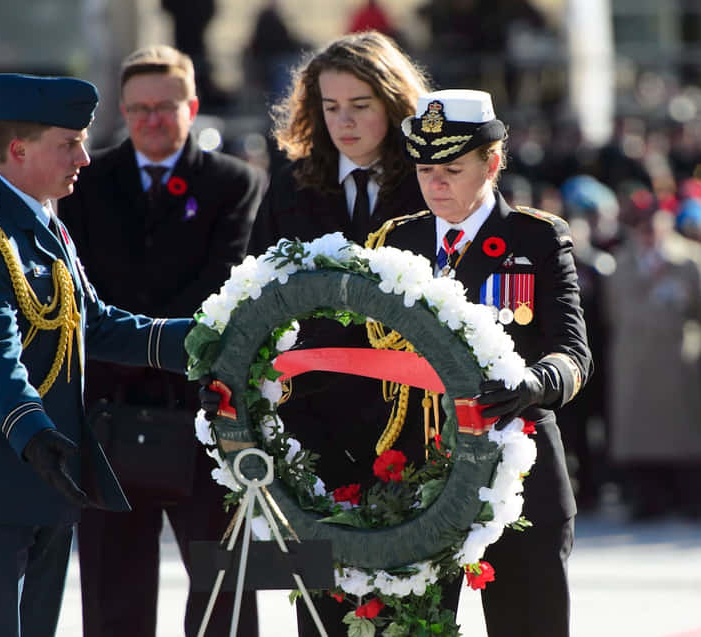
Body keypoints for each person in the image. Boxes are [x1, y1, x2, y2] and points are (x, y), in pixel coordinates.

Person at [0, 73, 195, 637]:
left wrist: (204, 339)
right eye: (69, 143)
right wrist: (32, 431)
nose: (85, 157)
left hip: (43, 482)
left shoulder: (43, 224)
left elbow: (97, 324)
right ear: (18, 150)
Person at [58, 44, 264, 637]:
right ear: (121, 110)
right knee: (112, 591)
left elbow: (221, 288)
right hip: (107, 419)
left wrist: (138, 338)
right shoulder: (85, 182)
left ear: (192, 105)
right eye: (139, 108)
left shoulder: (235, 183)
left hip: (204, 415)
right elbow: (81, 288)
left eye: (165, 106)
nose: (151, 120)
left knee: (224, 590)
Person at [382, 89, 592, 636]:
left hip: (515, 470)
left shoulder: (536, 237)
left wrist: (533, 382)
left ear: (492, 162)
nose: (436, 183)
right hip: (418, 471)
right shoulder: (396, 240)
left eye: (453, 167)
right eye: (426, 168)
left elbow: (573, 352)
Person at [246, 30, 431, 635]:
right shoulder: (292, 182)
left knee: (410, 608)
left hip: (410, 421)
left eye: (360, 106)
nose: (344, 123)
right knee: (320, 611)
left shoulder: (430, 183)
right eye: (330, 108)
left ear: (394, 104)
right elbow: (256, 291)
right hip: (311, 422)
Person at [605, 192, 701, 519]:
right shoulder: (623, 261)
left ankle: (686, 499)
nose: (648, 232)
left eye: (653, 223)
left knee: (682, 434)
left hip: (677, 359)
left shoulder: (689, 260)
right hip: (636, 359)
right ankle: (647, 500)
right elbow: (613, 310)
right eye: (641, 225)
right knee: (640, 434)